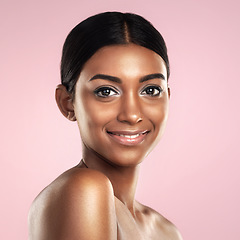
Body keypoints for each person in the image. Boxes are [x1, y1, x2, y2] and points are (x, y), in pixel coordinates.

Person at [28, 11, 182, 240]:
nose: (131, 114)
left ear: (167, 97)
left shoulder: (166, 231)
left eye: (150, 90)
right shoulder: (84, 190)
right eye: (106, 91)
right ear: (67, 103)